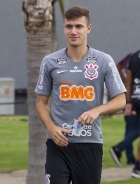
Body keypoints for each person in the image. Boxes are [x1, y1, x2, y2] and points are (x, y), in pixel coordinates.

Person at [35, 6, 126, 184]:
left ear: (88, 28)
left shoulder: (103, 60)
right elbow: (40, 103)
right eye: (69, 26)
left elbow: (121, 100)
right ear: (64, 28)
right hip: (57, 144)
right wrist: (51, 129)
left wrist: (97, 110)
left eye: (78, 26)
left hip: (90, 143)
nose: (73, 31)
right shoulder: (50, 61)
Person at [110, 53, 139, 167]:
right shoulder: (131, 57)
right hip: (131, 96)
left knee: (130, 128)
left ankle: (130, 158)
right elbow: (117, 66)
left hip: (130, 97)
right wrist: (126, 79)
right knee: (135, 128)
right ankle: (119, 148)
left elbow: (117, 66)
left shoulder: (132, 56)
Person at [124, 50, 140, 178]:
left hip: (136, 97)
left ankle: (138, 167)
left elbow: (128, 81)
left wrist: (128, 101)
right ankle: (138, 167)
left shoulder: (133, 56)